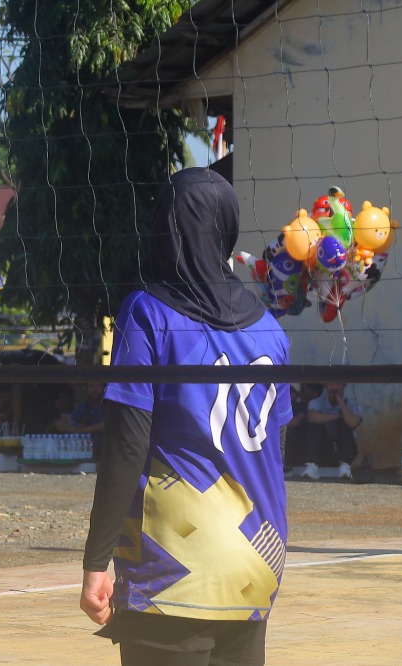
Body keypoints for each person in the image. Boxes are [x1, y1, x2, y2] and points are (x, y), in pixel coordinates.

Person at [79, 167, 294, 666]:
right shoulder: (269, 328)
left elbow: (127, 445)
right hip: (259, 558)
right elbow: (277, 451)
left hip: (175, 559)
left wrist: (96, 561)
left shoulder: (148, 313)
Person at [300, 381, 363, 481]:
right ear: (326, 386)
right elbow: (312, 417)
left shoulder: (352, 403)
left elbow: (353, 423)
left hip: (346, 449)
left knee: (345, 424)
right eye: (331, 384)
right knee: (314, 426)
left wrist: (341, 403)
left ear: (344, 385)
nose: (334, 387)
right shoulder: (317, 402)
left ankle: (345, 467)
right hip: (323, 449)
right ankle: (312, 466)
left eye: (338, 384)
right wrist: (339, 416)